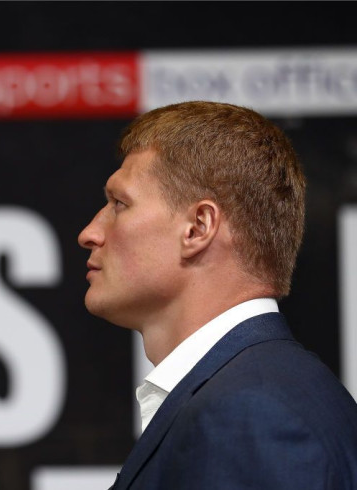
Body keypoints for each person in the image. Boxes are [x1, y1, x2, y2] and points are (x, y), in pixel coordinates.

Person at [78, 101, 357, 489]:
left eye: (119, 204)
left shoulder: (251, 413)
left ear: (198, 227)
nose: (89, 232)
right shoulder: (261, 392)